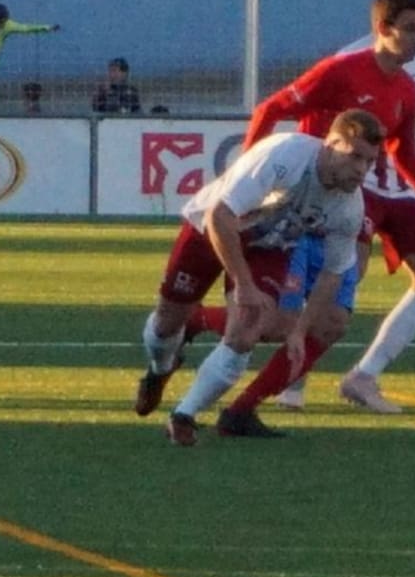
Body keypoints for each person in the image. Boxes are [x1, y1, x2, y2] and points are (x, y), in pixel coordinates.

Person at [185, 0, 415, 427]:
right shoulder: (342, 67)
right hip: (332, 198)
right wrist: (248, 176)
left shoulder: (411, 85)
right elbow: (272, 107)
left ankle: (248, 408)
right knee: (292, 317)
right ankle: (205, 326)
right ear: (382, 25)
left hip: (380, 195)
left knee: (344, 313)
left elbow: (405, 151)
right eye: (411, 29)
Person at [134, 108, 385, 447]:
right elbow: (219, 215)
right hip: (210, 229)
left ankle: (184, 415)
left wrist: (299, 331)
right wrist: (245, 286)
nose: (361, 170)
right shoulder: (285, 155)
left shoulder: (349, 207)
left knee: (249, 329)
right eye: (354, 156)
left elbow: (334, 273)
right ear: (330, 144)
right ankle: (160, 368)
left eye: (369, 162)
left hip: (268, 247)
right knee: (166, 321)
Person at [0, 3, 60, 112]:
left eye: (4, 22)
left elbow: (26, 28)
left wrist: (47, 28)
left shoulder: (8, 25)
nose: (1, 25)